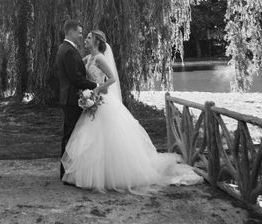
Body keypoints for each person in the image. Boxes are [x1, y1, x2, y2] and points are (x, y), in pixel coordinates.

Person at [61, 29, 202, 192]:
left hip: (103, 101)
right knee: (90, 139)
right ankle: (90, 174)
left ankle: (114, 174)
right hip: (93, 101)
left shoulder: (99, 58)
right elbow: (79, 76)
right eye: (85, 36)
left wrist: (98, 90)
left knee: (109, 138)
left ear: (97, 42)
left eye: (89, 37)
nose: (85, 39)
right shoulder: (88, 59)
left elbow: (112, 79)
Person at [55, 19, 98, 181]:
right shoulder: (68, 51)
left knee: (69, 135)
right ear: (71, 32)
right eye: (79, 33)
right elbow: (77, 79)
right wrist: (98, 85)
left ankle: (67, 171)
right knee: (72, 137)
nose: (81, 36)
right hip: (72, 100)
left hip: (69, 98)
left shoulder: (64, 49)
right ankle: (67, 172)